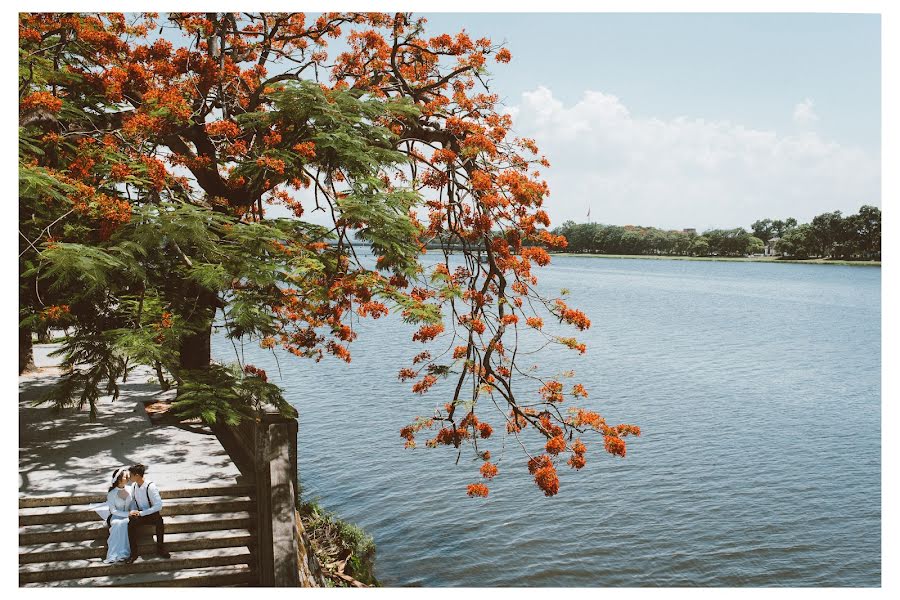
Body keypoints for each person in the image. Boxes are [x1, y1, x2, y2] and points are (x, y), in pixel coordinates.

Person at [124, 464, 170, 562]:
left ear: (137, 475)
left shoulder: (150, 486)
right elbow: (132, 501)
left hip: (151, 514)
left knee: (159, 521)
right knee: (130, 523)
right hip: (140, 514)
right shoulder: (134, 486)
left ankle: (160, 549)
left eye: (131, 475)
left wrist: (142, 513)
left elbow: (158, 506)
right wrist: (133, 511)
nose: (129, 477)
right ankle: (134, 553)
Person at [104, 468, 134, 563]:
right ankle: (114, 553)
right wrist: (126, 514)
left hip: (129, 515)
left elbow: (133, 502)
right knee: (117, 523)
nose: (128, 478)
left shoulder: (130, 489)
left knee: (125, 522)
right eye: (126, 477)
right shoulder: (112, 493)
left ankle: (124, 553)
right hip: (116, 515)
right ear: (119, 479)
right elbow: (113, 510)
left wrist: (132, 511)